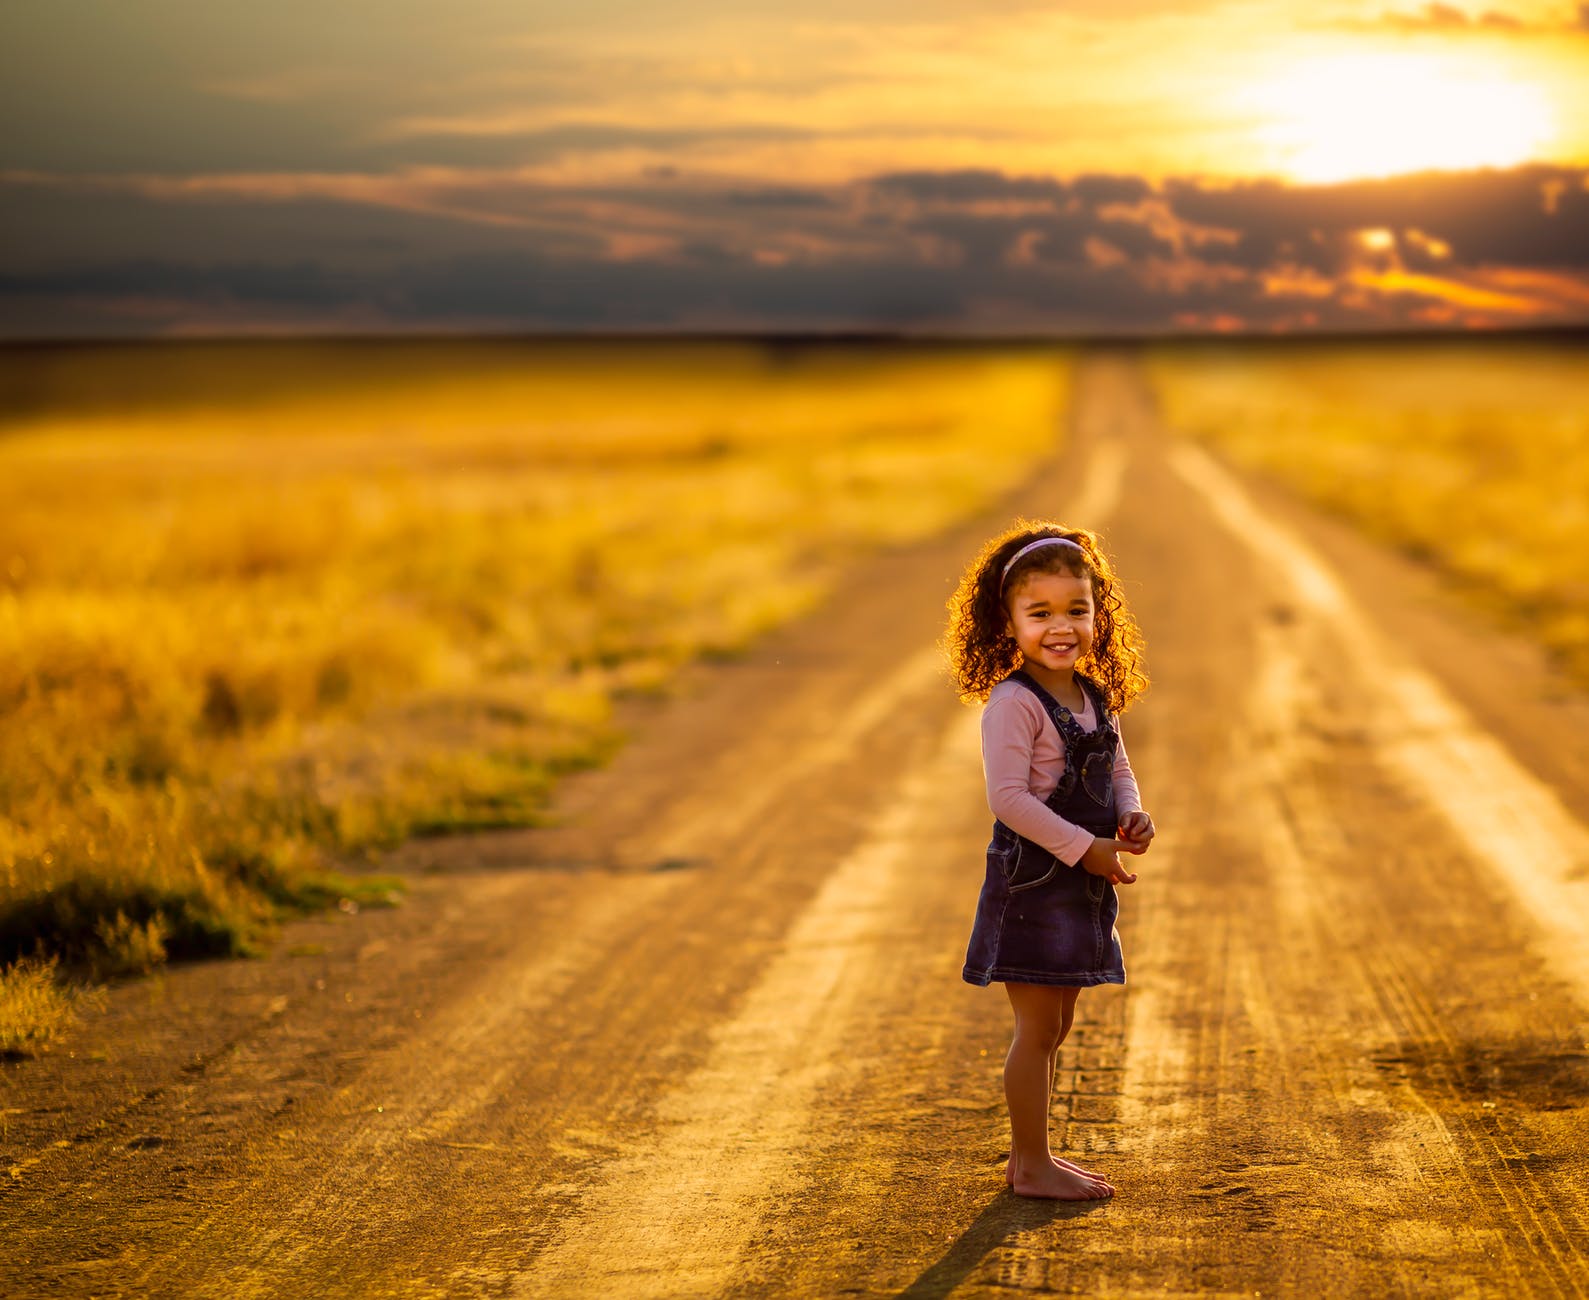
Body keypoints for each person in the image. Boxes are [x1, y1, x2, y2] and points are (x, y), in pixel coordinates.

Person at [943, 521, 1154, 1200]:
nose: (1060, 627)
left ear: (1099, 613)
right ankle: (1030, 1163)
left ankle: (1034, 1158)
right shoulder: (1012, 703)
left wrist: (1128, 813)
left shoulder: (1090, 693)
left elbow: (1115, 764)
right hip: (1034, 880)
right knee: (1035, 1030)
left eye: (1076, 610)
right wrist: (1082, 848)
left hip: (1079, 875)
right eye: (1039, 614)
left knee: (1056, 1025)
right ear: (1007, 625)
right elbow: (1006, 799)